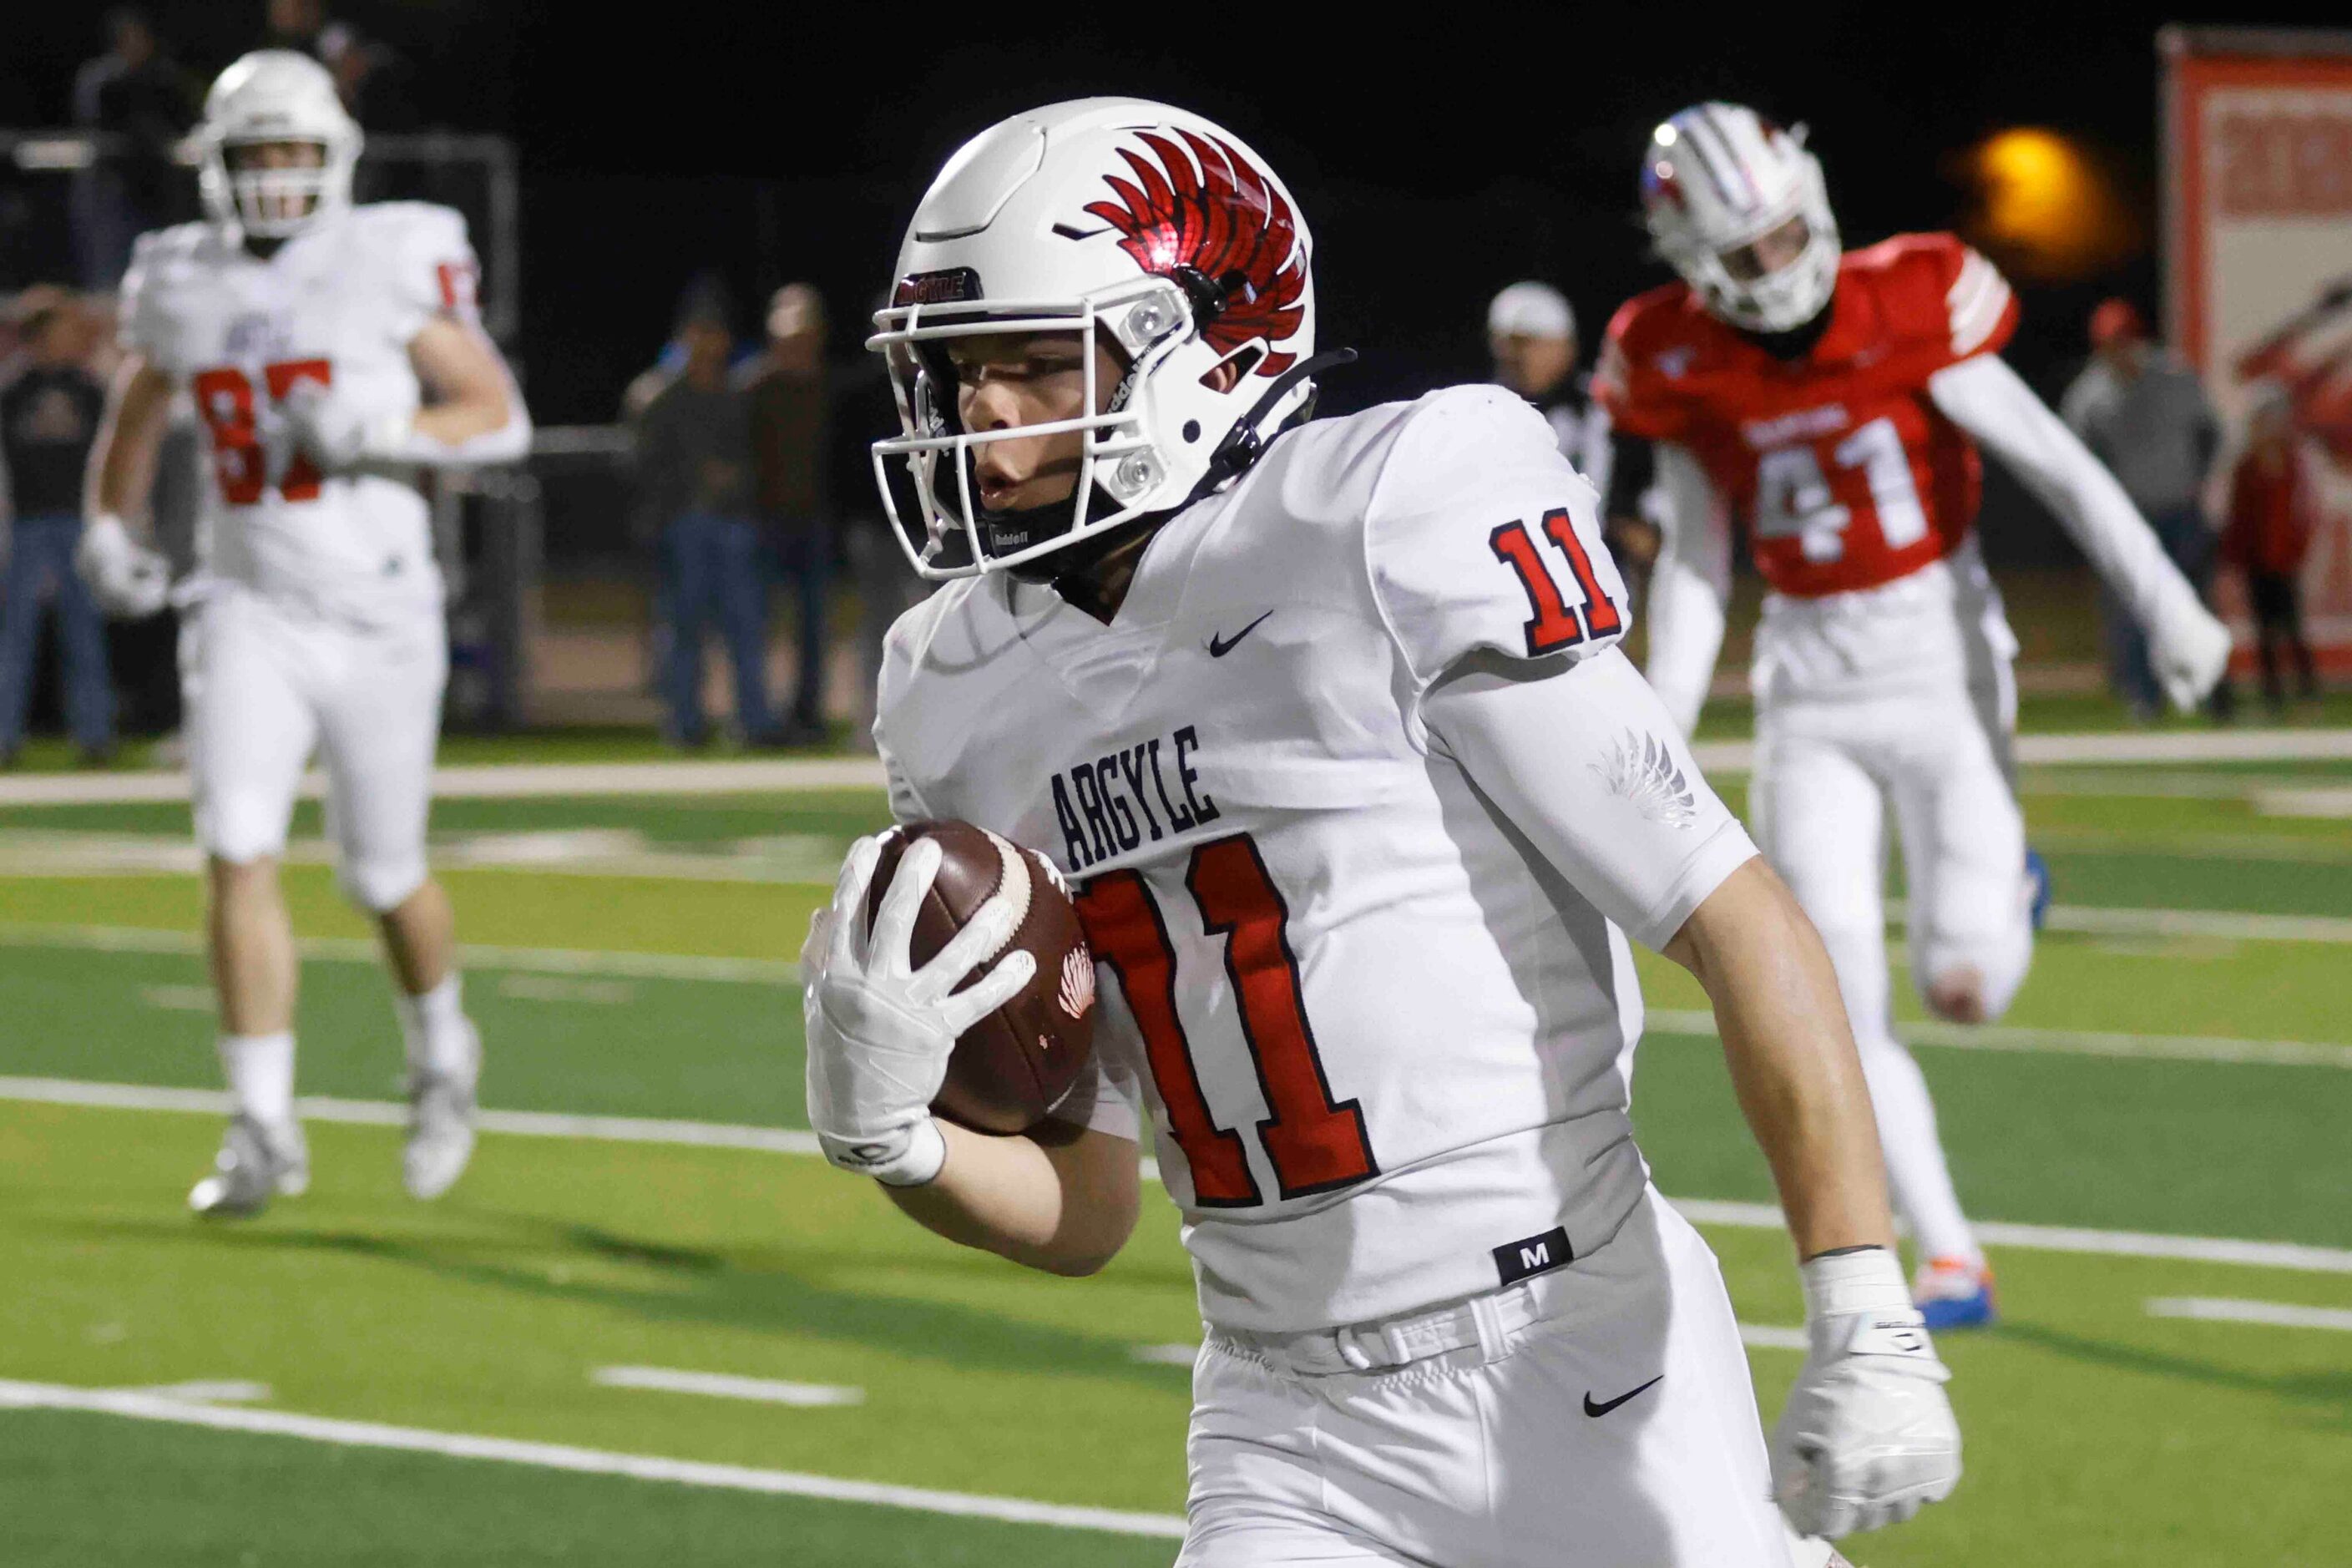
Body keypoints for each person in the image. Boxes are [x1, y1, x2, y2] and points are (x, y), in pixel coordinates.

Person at [803, 98, 1960, 1567]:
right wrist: (895, 1138)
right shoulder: (952, 686)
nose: (979, 412)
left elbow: (1731, 914)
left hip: (1576, 1348)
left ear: (1202, 344)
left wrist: (1860, 1304)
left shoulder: (1386, 512)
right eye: (961, 369)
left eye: (1035, 362)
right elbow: (1091, 1201)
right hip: (1281, 1419)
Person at [1596, 103, 2231, 1329]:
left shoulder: (1913, 296)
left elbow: (2060, 462)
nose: (1777, 271)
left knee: (1963, 985)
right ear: (1689, 265)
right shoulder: (1673, 352)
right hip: (1806, 685)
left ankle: (2009, 897)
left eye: (1787, 238)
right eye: (1746, 256)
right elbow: (1693, 561)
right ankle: (1949, 1253)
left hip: (1942, 664)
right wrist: (1654, 726)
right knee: (1830, 992)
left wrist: (2167, 608)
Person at [78, 51, 531, 1216]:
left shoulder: (386, 258)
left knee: (384, 873)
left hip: (381, 610)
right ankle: (262, 1123)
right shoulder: (179, 278)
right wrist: (108, 522)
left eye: (291, 151)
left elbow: (495, 418)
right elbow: (138, 407)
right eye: (254, 154)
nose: (275, 176)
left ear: (331, 158)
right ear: (218, 168)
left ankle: (441, 1053)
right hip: (246, 603)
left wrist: (381, 429)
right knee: (235, 847)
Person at [2061, 299, 2224, 720]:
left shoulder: (2174, 375)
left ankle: (2207, 690)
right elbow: (2076, 459)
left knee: (2194, 601)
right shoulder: (2089, 395)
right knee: (2131, 609)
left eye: (2124, 341)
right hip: (2129, 518)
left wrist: (2195, 481)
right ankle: (2141, 694)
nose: (2118, 351)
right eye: (2109, 345)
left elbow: (2210, 433)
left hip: (2180, 508)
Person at [634, 296, 779, 748]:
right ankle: (686, 724)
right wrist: (687, 484)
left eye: (714, 333)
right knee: (683, 630)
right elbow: (641, 465)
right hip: (683, 525)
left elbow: (760, 458)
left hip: (734, 523)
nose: (707, 343)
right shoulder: (658, 396)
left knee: (746, 629)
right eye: (699, 332)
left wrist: (737, 480)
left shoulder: (737, 395)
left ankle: (752, 723)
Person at [0, 294, 115, 765]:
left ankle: (94, 736)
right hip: (26, 522)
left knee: (84, 632)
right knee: (16, 636)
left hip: (77, 522)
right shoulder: (12, 390)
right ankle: (6, 737)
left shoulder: (90, 388)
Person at [1490, 281, 1662, 595]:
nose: (1517, 355)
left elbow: (1641, 479)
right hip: (1500, 566)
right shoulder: (1478, 412)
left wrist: (1636, 521)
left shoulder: (1607, 407)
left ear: (1565, 346)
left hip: (1592, 572)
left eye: (1531, 343)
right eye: (1509, 343)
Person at [741, 283, 832, 743]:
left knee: (813, 627)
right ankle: (760, 719)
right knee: (758, 624)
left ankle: (807, 713)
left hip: (813, 521)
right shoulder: (756, 386)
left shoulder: (828, 387)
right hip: (765, 521)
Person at [70, 8, 199, 289]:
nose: (137, 44)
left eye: (141, 37)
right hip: (112, 195)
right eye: (130, 38)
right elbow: (100, 125)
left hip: (156, 195)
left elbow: (182, 121)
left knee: (161, 276)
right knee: (110, 277)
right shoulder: (101, 79)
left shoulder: (164, 77)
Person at [2220, 383, 2321, 711]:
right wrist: (2236, 556)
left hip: (2285, 559)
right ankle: (2272, 692)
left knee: (2292, 626)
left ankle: (2307, 689)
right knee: (2265, 629)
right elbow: (2239, 516)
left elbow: (2302, 512)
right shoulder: (2246, 467)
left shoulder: (2293, 464)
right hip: (2257, 561)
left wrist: (2297, 547)